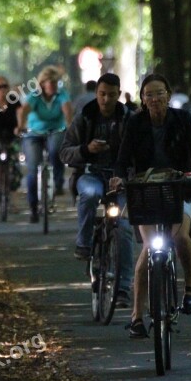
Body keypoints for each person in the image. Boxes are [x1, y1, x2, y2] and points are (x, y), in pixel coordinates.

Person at [111, 74, 191, 338]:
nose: (154, 99)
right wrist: (118, 177)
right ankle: (136, 316)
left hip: (180, 185)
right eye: (149, 95)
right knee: (149, 246)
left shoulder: (183, 119)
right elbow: (123, 158)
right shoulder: (134, 123)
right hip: (145, 189)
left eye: (159, 93)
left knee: (179, 236)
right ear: (142, 99)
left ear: (168, 94)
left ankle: (190, 284)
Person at [59, 73, 135, 307]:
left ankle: (123, 288)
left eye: (111, 95)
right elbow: (65, 152)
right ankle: (83, 243)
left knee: (123, 228)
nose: (106, 99)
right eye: (102, 94)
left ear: (118, 95)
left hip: (120, 180)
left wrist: (126, 175)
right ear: (96, 93)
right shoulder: (85, 117)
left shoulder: (129, 119)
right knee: (90, 194)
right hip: (90, 173)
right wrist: (86, 149)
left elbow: (140, 152)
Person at [17, 66, 73, 223]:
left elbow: (67, 109)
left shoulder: (61, 94)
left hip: (56, 129)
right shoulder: (34, 95)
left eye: (56, 82)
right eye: (51, 83)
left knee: (56, 149)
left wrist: (69, 124)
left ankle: (58, 181)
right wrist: (21, 125)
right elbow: (24, 110)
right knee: (33, 169)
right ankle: (33, 207)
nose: (54, 86)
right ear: (42, 84)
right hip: (34, 133)